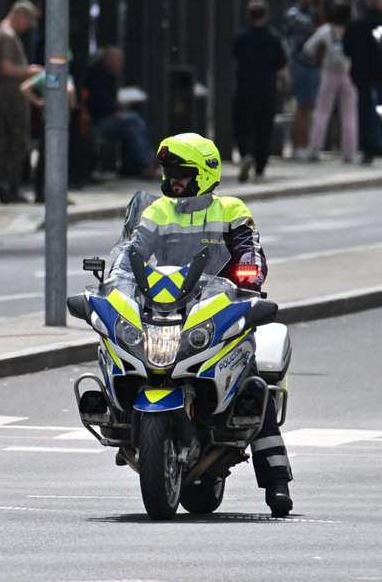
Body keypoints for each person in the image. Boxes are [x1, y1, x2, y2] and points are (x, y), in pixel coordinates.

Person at [115, 133, 293, 517]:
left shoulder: (230, 209)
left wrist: (250, 279)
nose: (172, 179)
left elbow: (251, 253)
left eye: (180, 172)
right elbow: (131, 254)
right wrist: (115, 282)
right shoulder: (157, 212)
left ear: (204, 173)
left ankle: (277, 481)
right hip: (166, 310)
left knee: (254, 389)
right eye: (168, 171)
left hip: (217, 310)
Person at [0, 0, 43, 203]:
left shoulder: (7, 35)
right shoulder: (6, 36)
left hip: (13, 97)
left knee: (14, 142)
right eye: (27, 22)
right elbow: (6, 68)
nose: (27, 28)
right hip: (10, 97)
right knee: (15, 143)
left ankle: (9, 187)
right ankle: (8, 188)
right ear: (18, 15)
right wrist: (30, 70)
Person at [232, 0, 288, 182]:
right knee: (264, 128)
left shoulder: (241, 36)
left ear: (249, 15)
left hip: (245, 88)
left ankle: (245, 153)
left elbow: (235, 54)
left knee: (243, 125)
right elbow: (281, 62)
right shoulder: (273, 37)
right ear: (266, 15)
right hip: (267, 89)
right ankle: (260, 168)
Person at [85, 46, 154, 178]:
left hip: (107, 117)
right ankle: (147, 160)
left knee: (133, 128)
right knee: (134, 119)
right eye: (118, 61)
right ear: (109, 60)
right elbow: (98, 104)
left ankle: (137, 165)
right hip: (98, 121)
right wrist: (115, 110)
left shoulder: (110, 76)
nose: (120, 65)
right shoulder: (98, 76)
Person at [303, 2, 357, 163]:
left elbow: (308, 48)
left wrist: (320, 56)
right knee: (349, 114)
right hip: (348, 73)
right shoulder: (352, 30)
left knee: (322, 112)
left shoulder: (326, 30)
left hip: (328, 73)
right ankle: (349, 151)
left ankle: (315, 149)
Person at [19, 60, 77, 203]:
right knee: (59, 158)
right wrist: (71, 104)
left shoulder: (46, 75)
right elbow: (70, 91)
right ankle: (57, 194)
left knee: (43, 156)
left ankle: (40, 192)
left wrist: (38, 101)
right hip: (61, 121)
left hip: (47, 118)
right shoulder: (66, 76)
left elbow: (24, 88)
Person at [284, 0, 326, 160]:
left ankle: (306, 144)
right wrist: (318, 6)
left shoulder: (313, 12)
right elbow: (314, 28)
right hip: (300, 64)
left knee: (309, 107)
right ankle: (298, 146)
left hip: (313, 65)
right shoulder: (293, 14)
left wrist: (320, 6)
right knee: (302, 107)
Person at [343, 0, 382, 165]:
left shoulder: (355, 25)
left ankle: (368, 149)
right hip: (377, 74)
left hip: (361, 75)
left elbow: (346, 49)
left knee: (365, 111)